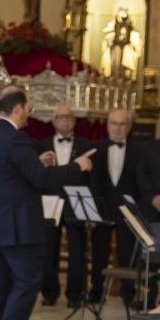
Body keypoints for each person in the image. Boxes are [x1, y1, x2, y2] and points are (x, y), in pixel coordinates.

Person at [0, 87, 93, 320]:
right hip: (18, 226)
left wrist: (35, 164)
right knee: (28, 282)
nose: (30, 113)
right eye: (28, 107)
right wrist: (77, 166)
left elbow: (6, 175)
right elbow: (41, 180)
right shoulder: (16, 138)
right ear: (17, 108)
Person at [39, 104, 97, 307]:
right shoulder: (41, 145)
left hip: (76, 202)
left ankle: (75, 295)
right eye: (60, 117)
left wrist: (91, 210)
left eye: (69, 118)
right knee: (48, 250)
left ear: (74, 121)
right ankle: (49, 293)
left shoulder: (86, 145)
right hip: (50, 203)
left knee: (78, 251)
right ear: (53, 121)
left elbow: (92, 180)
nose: (65, 121)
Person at [88, 108, 140, 303]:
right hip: (102, 210)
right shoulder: (97, 148)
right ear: (108, 125)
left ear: (129, 127)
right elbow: (92, 182)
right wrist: (92, 211)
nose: (118, 129)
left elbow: (140, 182)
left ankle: (129, 294)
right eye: (114, 124)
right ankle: (96, 292)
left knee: (127, 253)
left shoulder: (139, 150)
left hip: (128, 211)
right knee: (99, 253)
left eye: (122, 124)